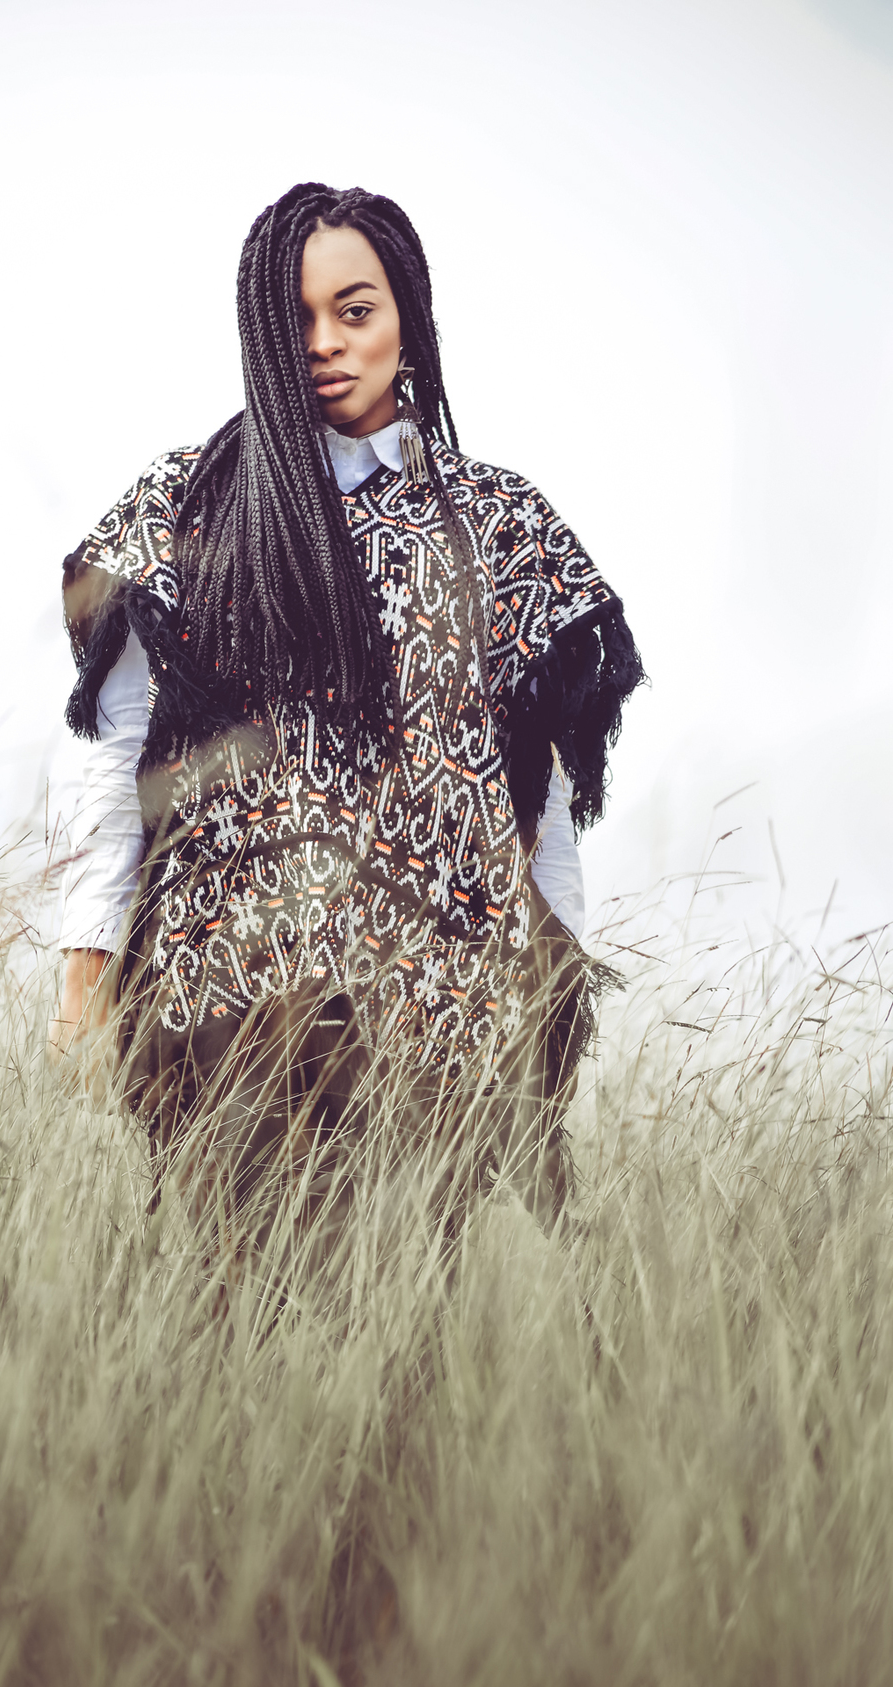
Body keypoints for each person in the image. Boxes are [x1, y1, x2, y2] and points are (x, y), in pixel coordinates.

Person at [48, 182, 644, 1236]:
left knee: (408, 1313)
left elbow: (538, 798)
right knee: (228, 1301)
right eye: (296, 318)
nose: (324, 342)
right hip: (227, 994)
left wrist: (550, 996)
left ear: (407, 316)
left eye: (354, 311)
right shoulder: (187, 506)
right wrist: (87, 977)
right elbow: (113, 754)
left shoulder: (503, 526)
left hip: (441, 1011)